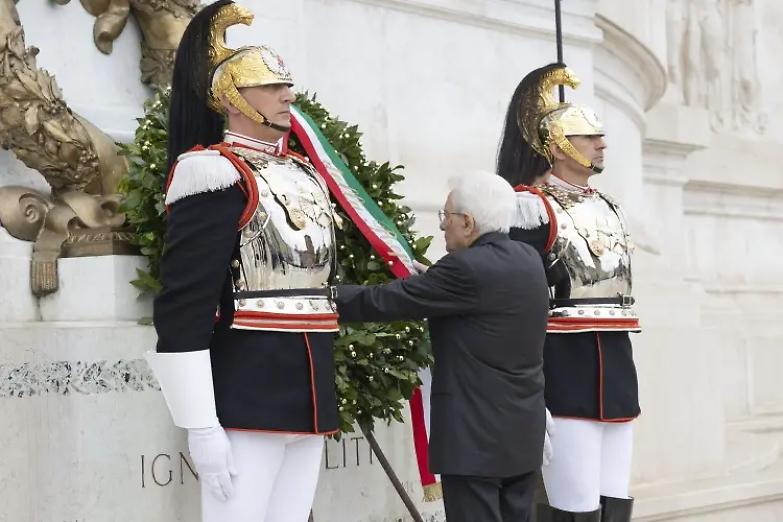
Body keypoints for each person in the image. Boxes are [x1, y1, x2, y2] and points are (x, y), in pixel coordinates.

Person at [144, 2, 340, 520]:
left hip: (311, 392)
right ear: (232, 98)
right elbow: (184, 304)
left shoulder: (303, 171)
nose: (288, 96)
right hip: (247, 393)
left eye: (287, 85)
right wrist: (201, 423)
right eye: (271, 86)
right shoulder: (213, 173)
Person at [335, 172, 549, 522]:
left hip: (475, 441)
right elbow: (484, 302)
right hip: (521, 435)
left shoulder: (465, 268)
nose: (441, 227)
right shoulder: (528, 259)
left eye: (445, 217)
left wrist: (322, 298)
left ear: (467, 222)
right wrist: (438, 280)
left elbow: (387, 300)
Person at [498, 63, 640, 522]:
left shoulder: (610, 205)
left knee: (616, 498)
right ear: (558, 146)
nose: (601, 143)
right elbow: (517, 299)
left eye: (600, 136)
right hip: (564, 368)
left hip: (616, 366)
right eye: (587, 136)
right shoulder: (530, 207)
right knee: (575, 501)